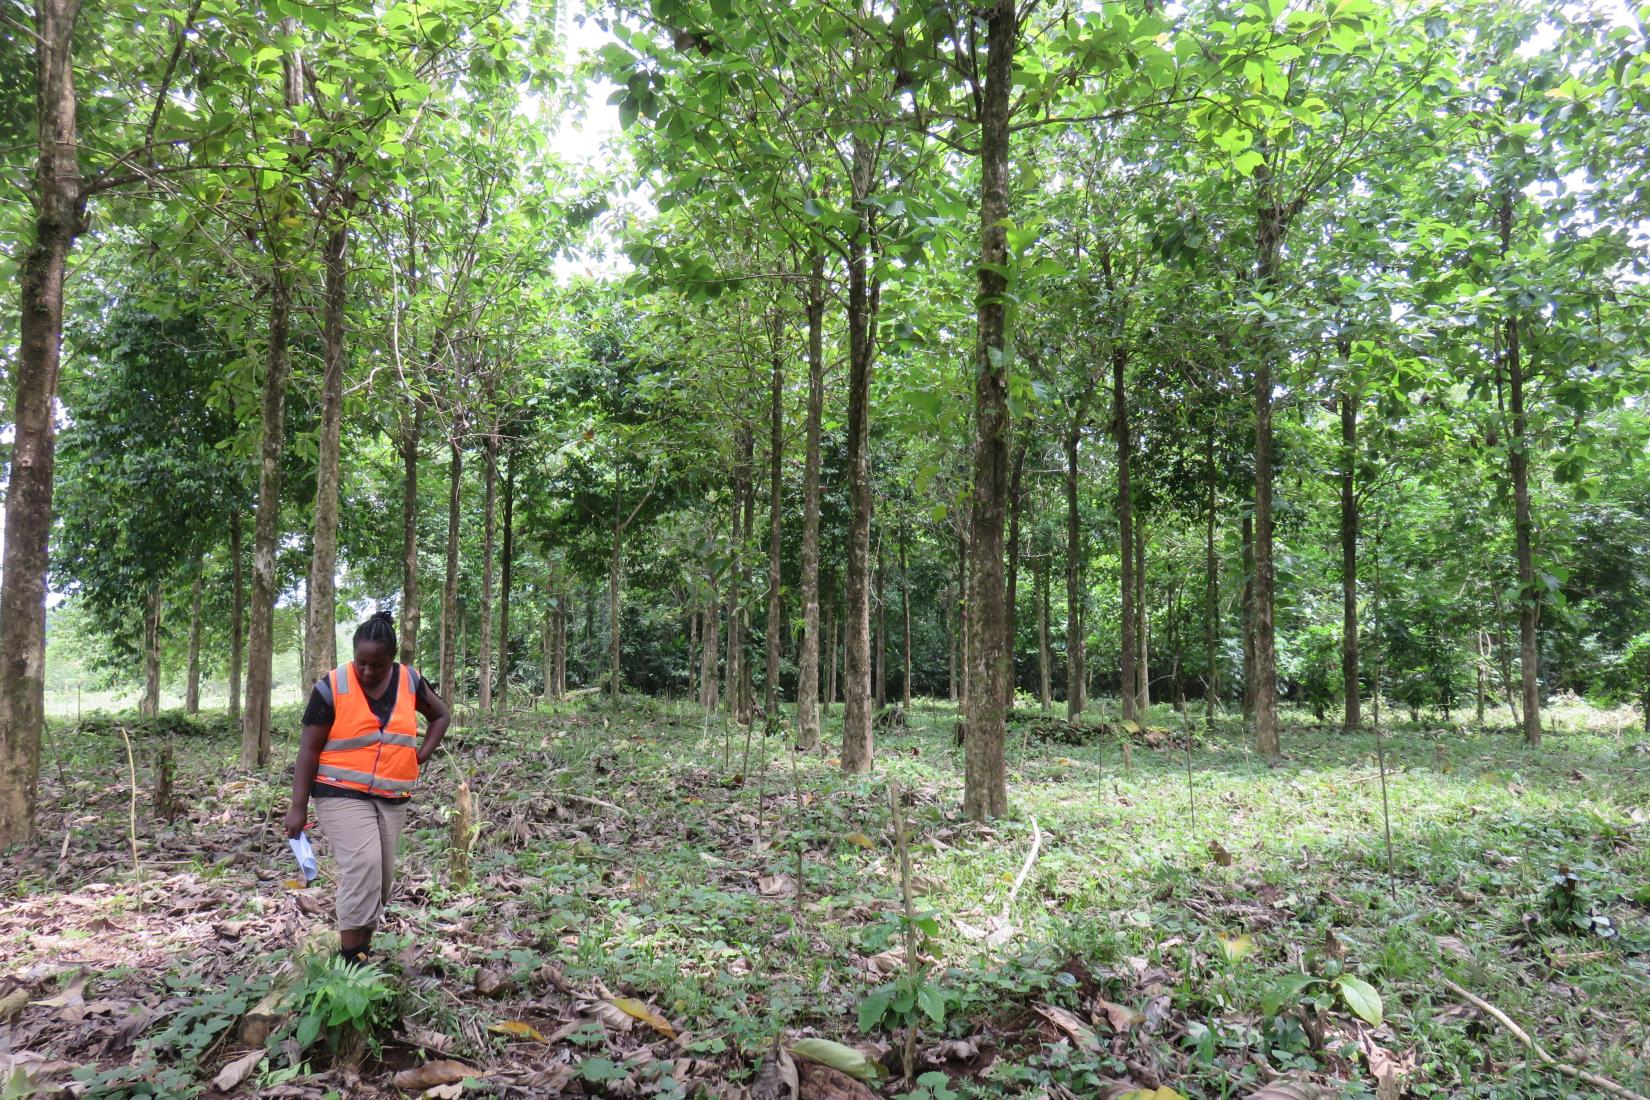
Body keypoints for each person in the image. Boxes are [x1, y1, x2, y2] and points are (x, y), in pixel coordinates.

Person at [284, 611, 451, 965]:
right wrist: (297, 806)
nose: (367, 671)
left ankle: (363, 951)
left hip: (391, 794)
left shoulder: (410, 680)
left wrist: (422, 754)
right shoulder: (333, 685)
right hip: (338, 790)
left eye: (377, 664)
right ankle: (349, 962)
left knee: (382, 877)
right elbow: (308, 749)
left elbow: (440, 714)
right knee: (363, 865)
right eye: (361, 662)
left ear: (392, 658)